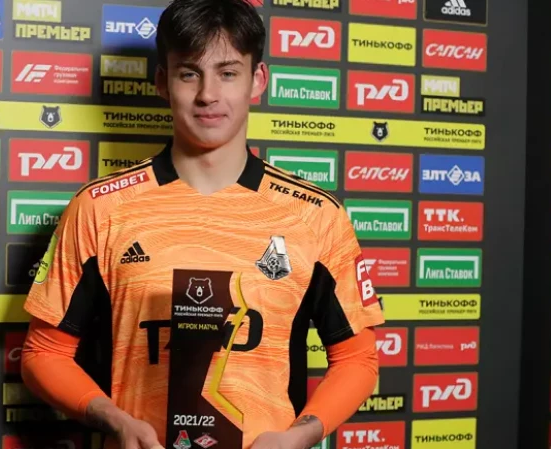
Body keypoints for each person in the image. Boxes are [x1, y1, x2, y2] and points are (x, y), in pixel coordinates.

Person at [20, 1, 385, 449]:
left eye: (228, 73)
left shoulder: (316, 215)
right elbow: (44, 354)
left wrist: (300, 435)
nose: (208, 94)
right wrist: (113, 419)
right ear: (162, 81)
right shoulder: (99, 208)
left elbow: (357, 359)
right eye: (189, 73)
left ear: (258, 80)